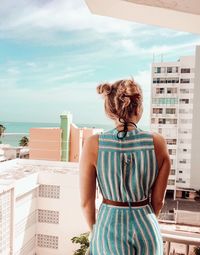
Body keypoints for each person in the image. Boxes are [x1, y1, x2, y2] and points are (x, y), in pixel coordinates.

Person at [80, 79, 171, 254]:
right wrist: (144, 221)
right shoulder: (158, 143)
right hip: (147, 228)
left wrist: (97, 232)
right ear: (139, 107)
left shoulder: (94, 144)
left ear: (109, 110)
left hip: (108, 228)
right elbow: (158, 202)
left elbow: (86, 203)